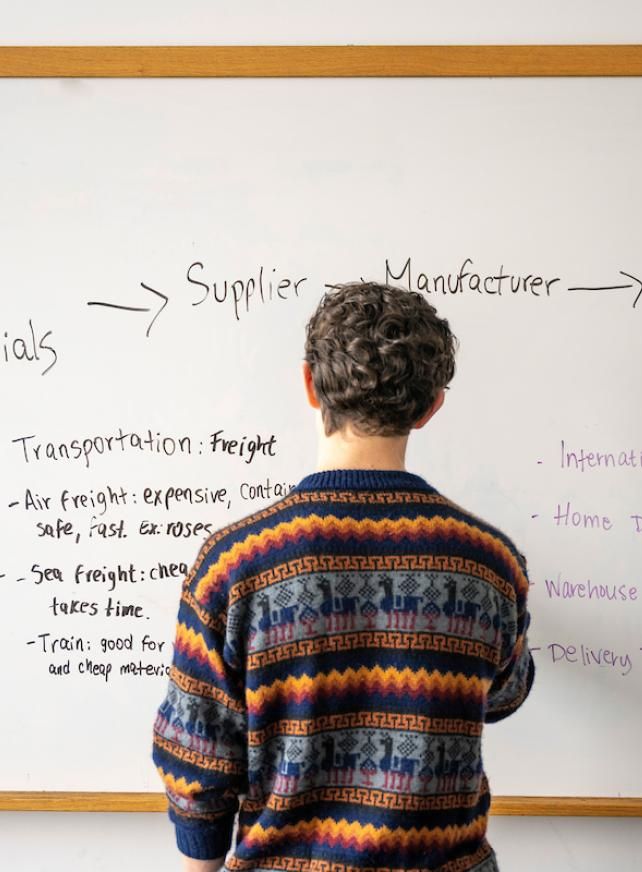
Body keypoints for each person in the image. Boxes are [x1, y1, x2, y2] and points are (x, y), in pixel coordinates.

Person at [152, 281, 535, 872]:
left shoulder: (234, 564)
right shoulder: (490, 561)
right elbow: (504, 695)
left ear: (309, 384)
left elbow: (199, 764)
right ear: (432, 406)